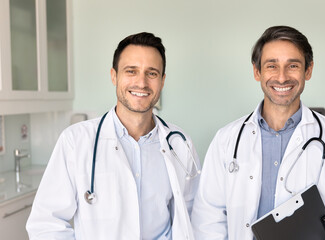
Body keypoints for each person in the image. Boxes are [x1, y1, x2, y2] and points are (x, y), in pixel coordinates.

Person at [191, 26, 325, 239]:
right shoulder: (226, 140)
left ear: (308, 70)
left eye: (293, 65)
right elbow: (207, 221)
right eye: (272, 66)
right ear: (257, 71)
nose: (282, 77)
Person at [27, 32, 200, 240]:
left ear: (162, 81)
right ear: (114, 76)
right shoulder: (75, 141)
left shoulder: (180, 143)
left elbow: (193, 217)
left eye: (151, 73)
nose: (141, 83)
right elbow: (46, 224)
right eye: (131, 71)